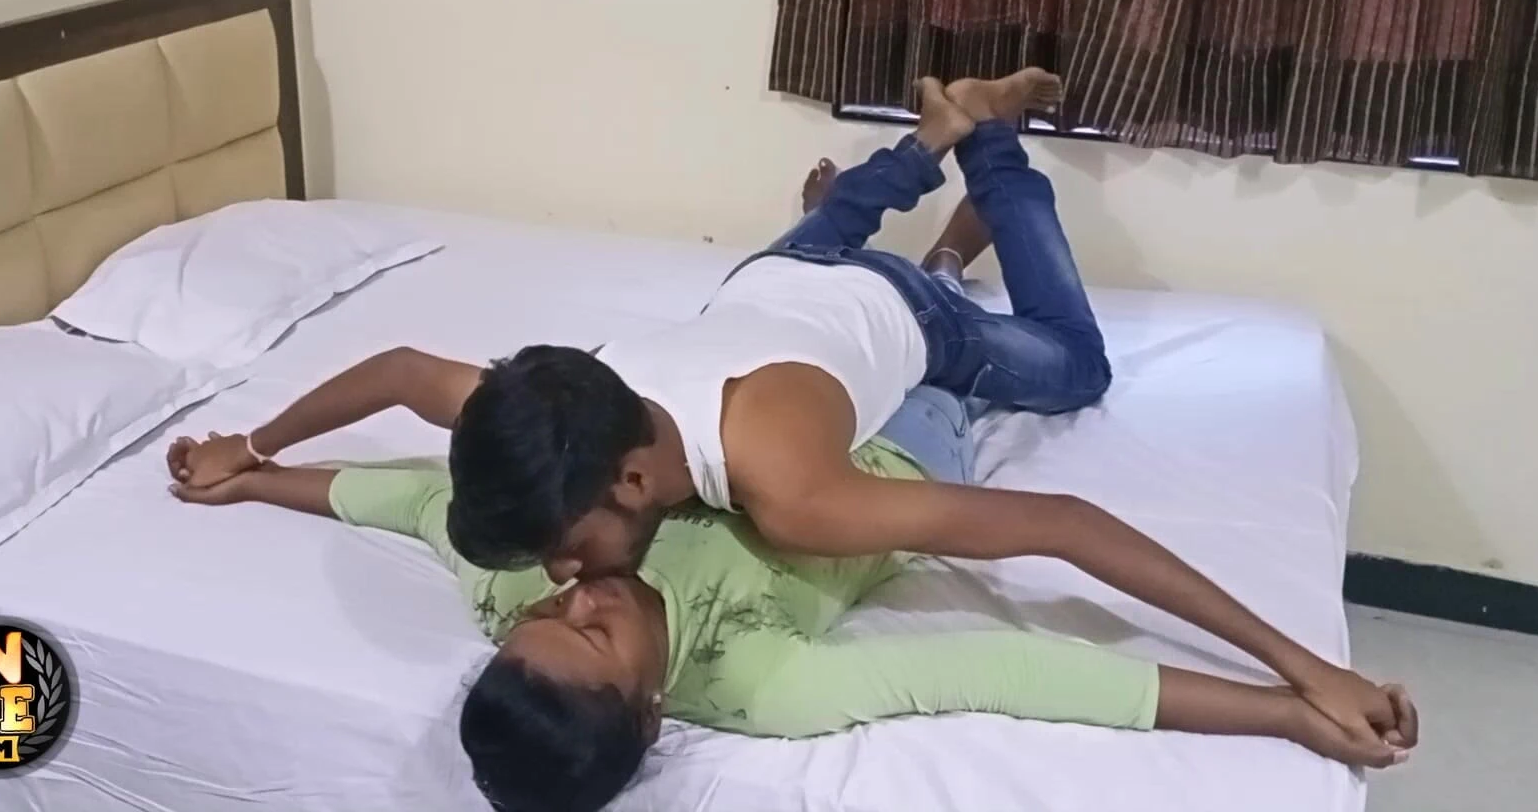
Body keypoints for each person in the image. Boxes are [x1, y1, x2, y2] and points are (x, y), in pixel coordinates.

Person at [168, 69, 1410, 751]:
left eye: (567, 555)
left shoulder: (797, 493)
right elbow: (399, 373)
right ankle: (918, 151)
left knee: (1068, 363)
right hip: (766, 291)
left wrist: (1303, 674)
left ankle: (986, 153)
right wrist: (252, 450)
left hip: (885, 322)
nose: (565, 581)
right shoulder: (551, 408)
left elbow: (1062, 529)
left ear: (633, 484)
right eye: (563, 590)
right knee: (809, 245)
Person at [169, 438, 1418, 812]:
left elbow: (403, 498)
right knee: (1021, 352)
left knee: (822, 271)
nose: (575, 593)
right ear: (651, 712)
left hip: (741, 418)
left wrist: (251, 472)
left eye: (545, 612)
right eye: (590, 631)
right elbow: (1018, 670)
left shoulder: (509, 585)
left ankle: (867, 218)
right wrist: (1286, 709)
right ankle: (961, 197)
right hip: (891, 454)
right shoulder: (759, 680)